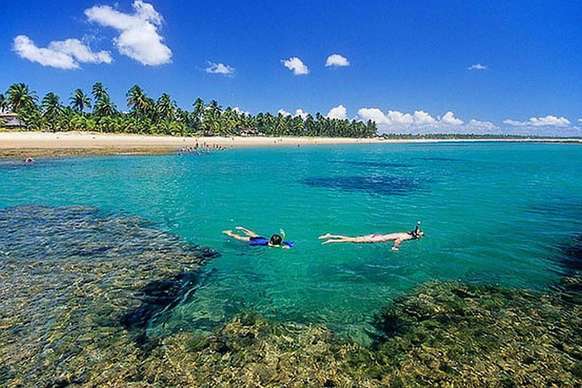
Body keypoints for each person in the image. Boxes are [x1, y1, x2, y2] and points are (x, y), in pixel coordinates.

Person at [319, 222, 424, 251]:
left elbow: (416, 230)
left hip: (376, 236)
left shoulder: (406, 233)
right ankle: (331, 240)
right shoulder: (406, 237)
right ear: (415, 236)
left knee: (353, 238)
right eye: (420, 235)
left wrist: (417, 226)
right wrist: (395, 247)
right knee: (352, 240)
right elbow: (398, 240)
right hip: (376, 239)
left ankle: (330, 235)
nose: (420, 236)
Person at [223, 226, 294, 249]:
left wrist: (283, 234)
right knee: (238, 237)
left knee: (254, 234)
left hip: (262, 239)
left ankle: (242, 228)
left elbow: (283, 240)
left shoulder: (280, 243)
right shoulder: (275, 244)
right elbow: (289, 244)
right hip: (257, 241)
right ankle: (228, 233)